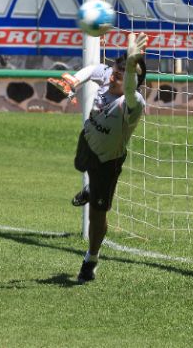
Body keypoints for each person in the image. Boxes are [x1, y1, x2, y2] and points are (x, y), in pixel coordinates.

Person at [48, 32, 148, 283]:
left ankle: (91, 259)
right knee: (79, 165)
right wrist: (74, 80)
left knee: (97, 213)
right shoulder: (109, 74)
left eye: (126, 70)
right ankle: (91, 190)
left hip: (108, 161)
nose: (117, 72)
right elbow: (94, 69)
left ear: (136, 80)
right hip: (88, 140)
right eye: (118, 66)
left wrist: (133, 64)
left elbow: (127, 86)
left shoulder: (133, 102)